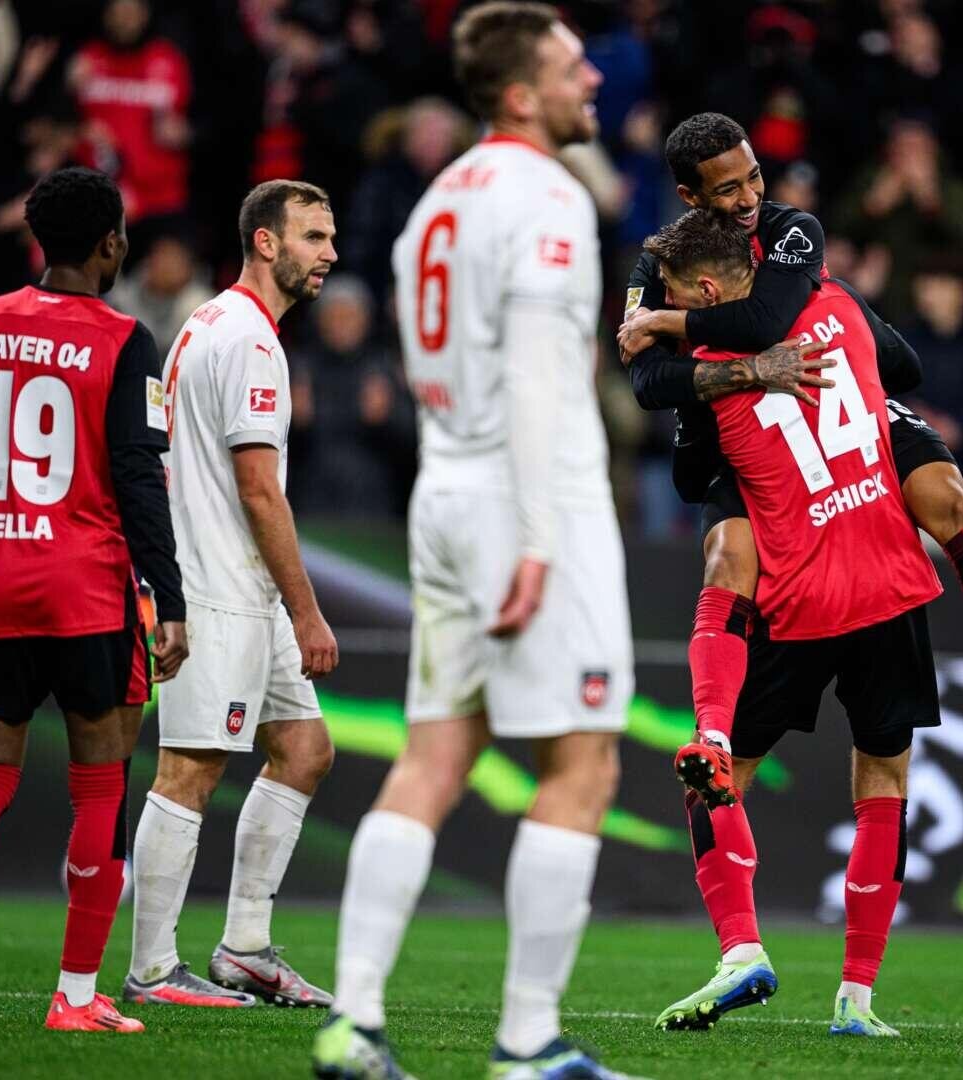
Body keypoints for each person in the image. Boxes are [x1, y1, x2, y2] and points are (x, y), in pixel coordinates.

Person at [616, 117, 963, 1032]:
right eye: (727, 190)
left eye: (752, 180)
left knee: (752, 558)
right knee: (777, 560)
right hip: (813, 434)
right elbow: (651, 387)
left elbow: (727, 357)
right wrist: (749, 369)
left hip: (827, 433)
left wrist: (689, 339)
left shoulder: (790, 234)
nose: (749, 199)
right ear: (690, 197)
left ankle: (721, 759)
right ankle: (828, 977)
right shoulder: (660, 265)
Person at [312, 7, 636, 1079]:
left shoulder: (434, 203)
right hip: (524, 498)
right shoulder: (547, 198)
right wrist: (540, 539)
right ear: (518, 94)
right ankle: (528, 1042)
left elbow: (429, 365)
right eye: (568, 65)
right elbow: (547, 377)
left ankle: (353, 1022)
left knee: (435, 753)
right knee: (581, 761)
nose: (591, 75)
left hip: (444, 490)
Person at [0, 165, 188, 1034]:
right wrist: (167, 594)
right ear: (110, 245)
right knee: (98, 792)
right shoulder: (126, 338)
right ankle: (76, 997)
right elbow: (139, 476)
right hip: (87, 592)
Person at [647, 210, 945, 1039]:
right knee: (884, 782)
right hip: (883, 563)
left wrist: (693, 360)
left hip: (795, 582)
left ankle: (742, 948)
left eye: (676, 297)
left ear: (704, 291)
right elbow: (909, 367)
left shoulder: (709, 364)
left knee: (718, 775)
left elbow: (683, 470)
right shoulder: (835, 301)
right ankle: (857, 997)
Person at [124, 180, 340, 1011]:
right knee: (190, 768)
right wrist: (308, 608)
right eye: (313, 237)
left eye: (329, 237)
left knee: (305, 750)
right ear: (265, 242)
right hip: (218, 585)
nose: (328, 254)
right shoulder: (250, 342)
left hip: (234, 583)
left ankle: (245, 948)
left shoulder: (206, 322)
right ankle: (150, 970)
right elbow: (259, 491)